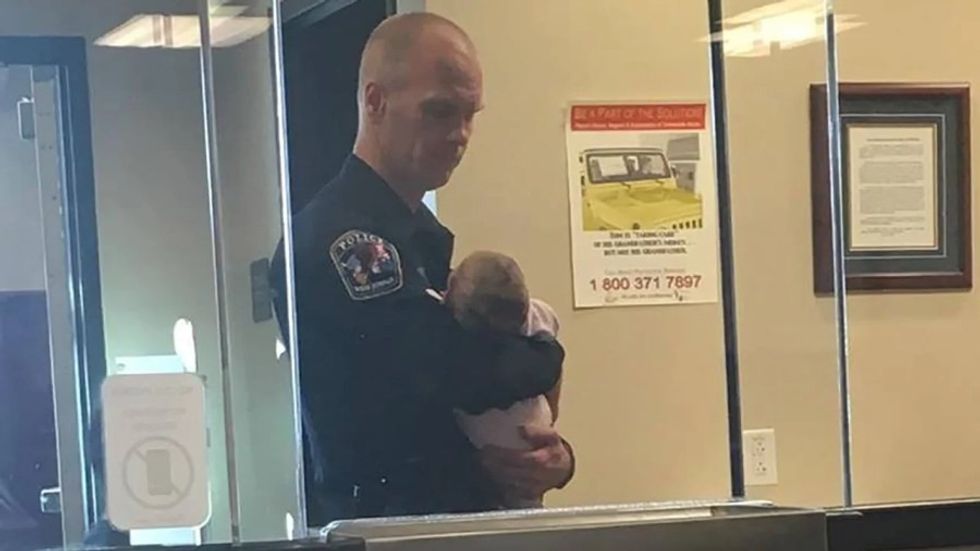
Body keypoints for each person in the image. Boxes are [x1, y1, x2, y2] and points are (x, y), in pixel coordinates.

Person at [270, 13, 574, 526]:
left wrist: (557, 459)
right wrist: (549, 352)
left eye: (469, 114)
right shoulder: (346, 240)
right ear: (375, 102)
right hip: (391, 527)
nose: (459, 134)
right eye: (439, 111)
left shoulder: (416, 236)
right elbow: (461, 373)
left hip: (451, 524)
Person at [445, 251, 563, 509]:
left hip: (490, 445)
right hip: (531, 430)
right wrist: (552, 414)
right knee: (525, 502)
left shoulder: (446, 323)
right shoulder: (541, 316)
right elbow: (554, 362)